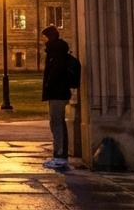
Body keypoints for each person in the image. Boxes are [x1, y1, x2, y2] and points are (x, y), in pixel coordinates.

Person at [40, 26, 79, 169]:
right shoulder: (56, 52)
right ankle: (59, 155)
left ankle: (60, 156)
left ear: (50, 37)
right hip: (57, 92)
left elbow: (55, 74)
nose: (44, 41)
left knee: (57, 123)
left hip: (58, 93)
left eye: (45, 37)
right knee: (56, 122)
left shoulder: (56, 53)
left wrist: (49, 85)